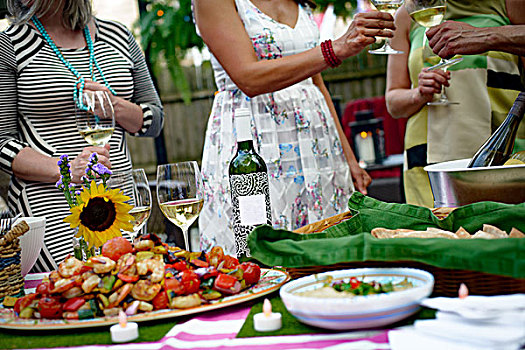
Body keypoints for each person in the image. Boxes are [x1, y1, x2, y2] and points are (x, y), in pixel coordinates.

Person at [193, 0, 394, 254]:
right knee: (263, 252)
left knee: (329, 246)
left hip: (318, 148)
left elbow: (316, 84)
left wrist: (349, 157)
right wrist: (335, 49)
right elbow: (248, 78)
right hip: (255, 144)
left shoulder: (299, 1)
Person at [0, 0, 164, 271]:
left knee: (126, 293)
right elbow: (2, 143)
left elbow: (154, 120)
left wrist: (115, 105)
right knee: (74, 298)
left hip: (120, 206)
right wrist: (66, 169)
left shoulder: (118, 36)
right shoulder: (10, 45)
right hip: (50, 214)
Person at [385, 0, 525, 208]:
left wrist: (486, 36)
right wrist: (419, 94)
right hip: (429, 164)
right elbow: (393, 102)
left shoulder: (511, 3)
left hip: (503, 156)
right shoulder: (407, 13)